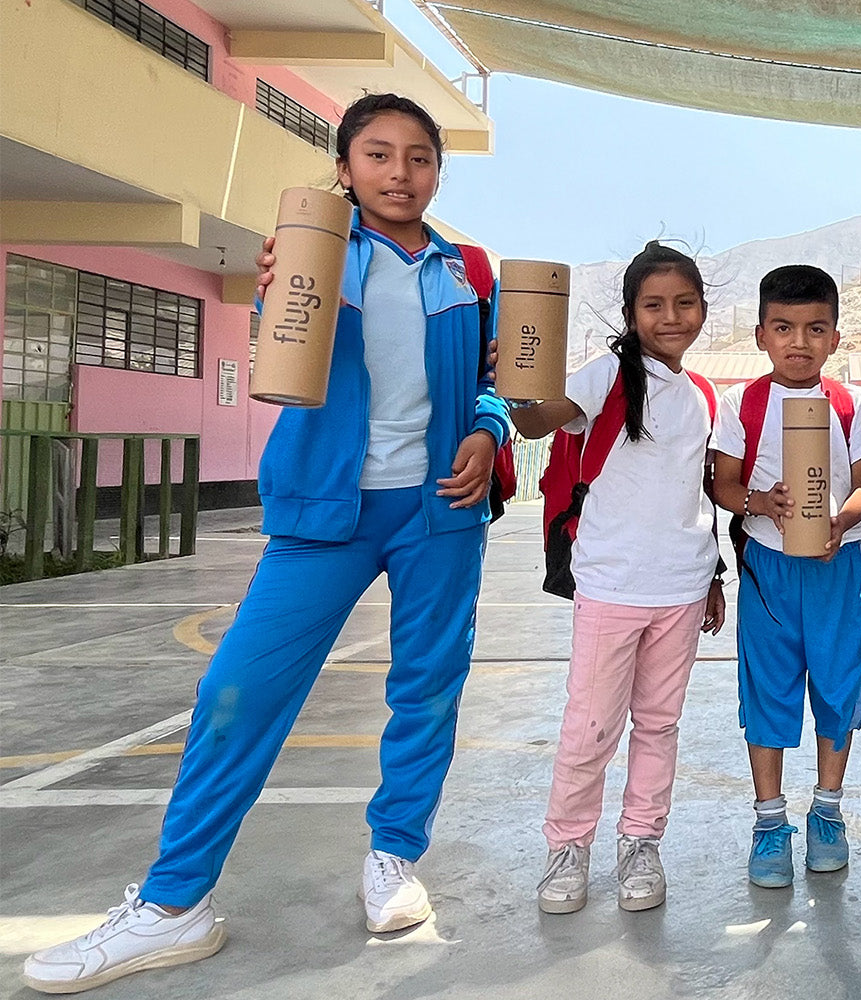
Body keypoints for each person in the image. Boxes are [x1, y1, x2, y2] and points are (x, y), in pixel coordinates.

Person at [22, 93, 511, 994]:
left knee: (429, 688)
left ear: (439, 172)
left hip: (439, 512)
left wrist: (489, 429)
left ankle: (394, 857)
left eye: (419, 157)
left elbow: (496, 379)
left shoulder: (468, 270)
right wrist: (285, 280)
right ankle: (175, 901)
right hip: (323, 511)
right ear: (344, 166)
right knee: (237, 690)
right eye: (378, 154)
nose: (400, 173)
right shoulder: (316, 249)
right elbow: (284, 348)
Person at [511, 242, 726, 916]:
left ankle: (641, 843)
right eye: (653, 305)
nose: (671, 317)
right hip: (611, 587)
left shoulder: (703, 395)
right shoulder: (606, 375)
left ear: (703, 310)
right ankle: (568, 847)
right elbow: (534, 422)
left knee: (659, 725)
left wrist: (713, 575)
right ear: (631, 314)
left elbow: (695, 493)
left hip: (682, 588)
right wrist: (518, 372)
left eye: (684, 303)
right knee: (590, 728)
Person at [708, 265, 861, 888]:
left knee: (838, 686)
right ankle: (769, 822)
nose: (799, 342)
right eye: (783, 328)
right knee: (769, 688)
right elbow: (724, 485)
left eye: (815, 328)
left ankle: (827, 812)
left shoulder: (853, 403)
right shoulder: (743, 403)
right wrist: (761, 504)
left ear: (835, 337)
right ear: (761, 335)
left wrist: (841, 522)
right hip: (769, 572)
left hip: (840, 567)